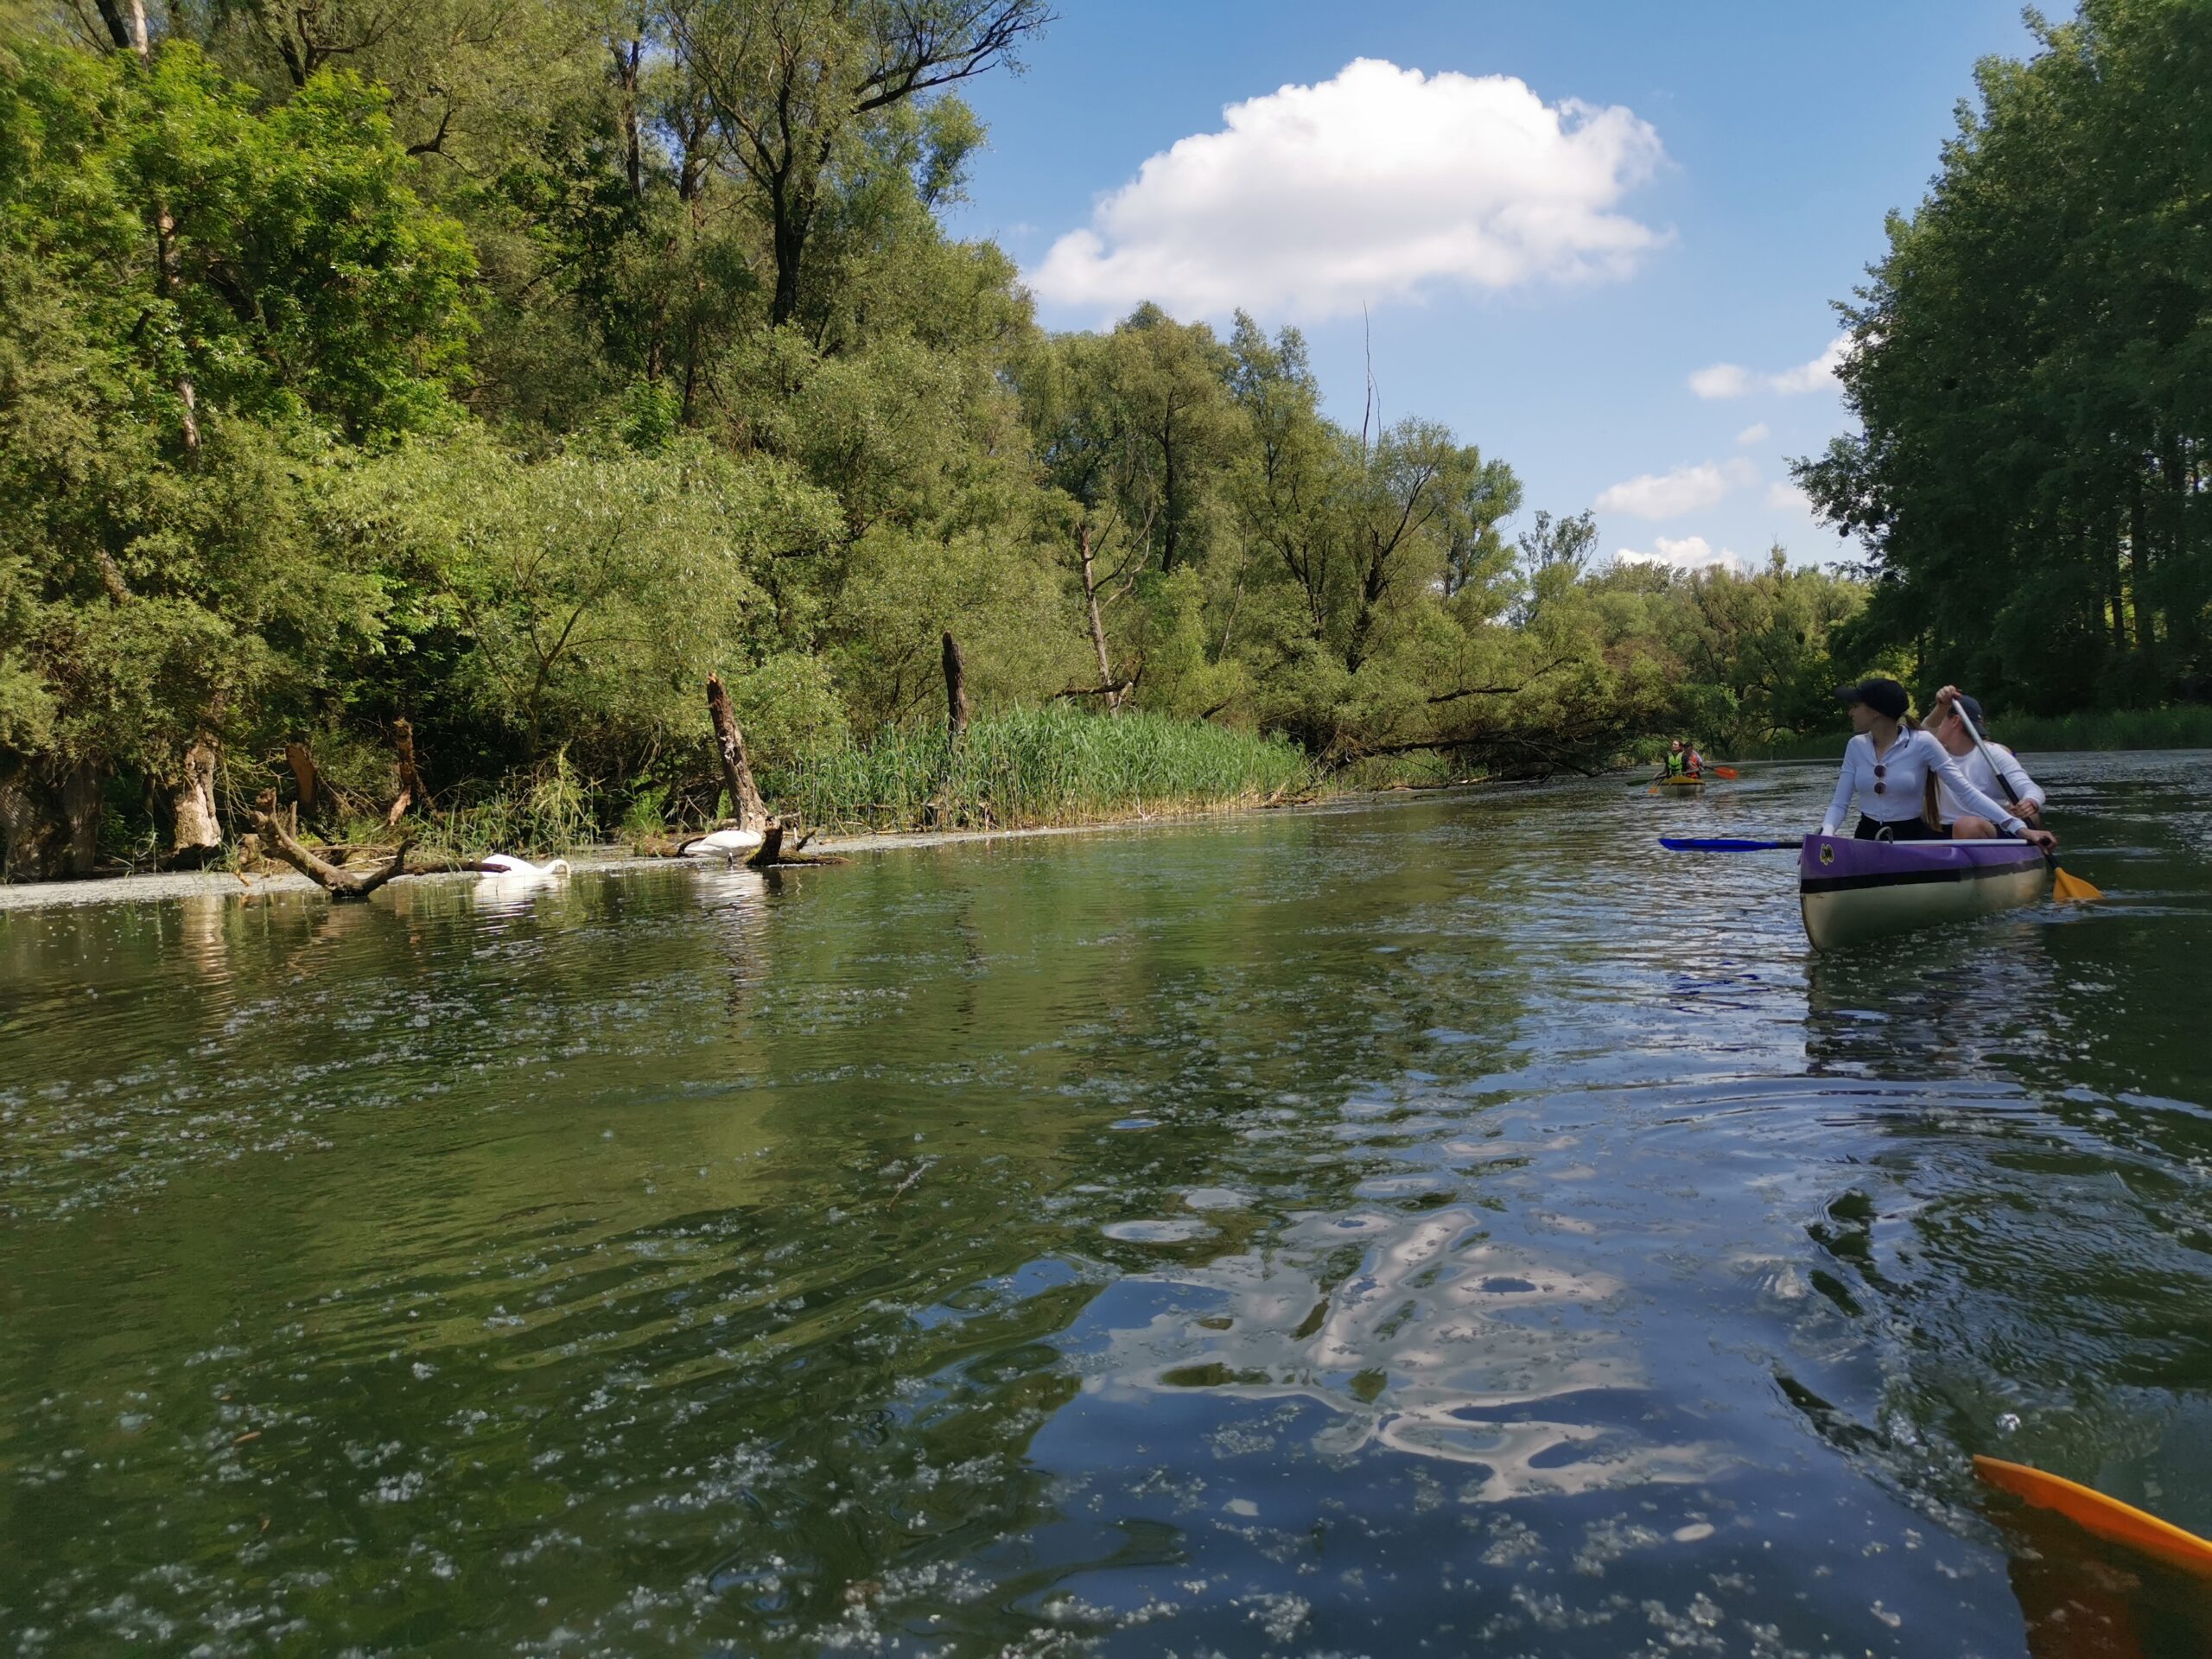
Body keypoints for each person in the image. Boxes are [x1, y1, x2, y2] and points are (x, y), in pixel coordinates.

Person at [1818, 677, 2056, 850]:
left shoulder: (1922, 743)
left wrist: (2021, 829)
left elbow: (1968, 793)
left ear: (1875, 712)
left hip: (1912, 838)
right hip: (1866, 835)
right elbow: (1839, 803)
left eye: (1855, 706)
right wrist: (1827, 835)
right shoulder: (1855, 746)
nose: (1850, 713)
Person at [1925, 685, 2044, 839]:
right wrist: (1941, 706)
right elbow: (1924, 731)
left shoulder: (1994, 754)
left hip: (1986, 828)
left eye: (1941, 718)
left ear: (1955, 720)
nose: (1936, 725)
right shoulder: (1931, 752)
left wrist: (2031, 801)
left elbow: (2031, 788)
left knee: (1967, 826)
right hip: (1942, 830)